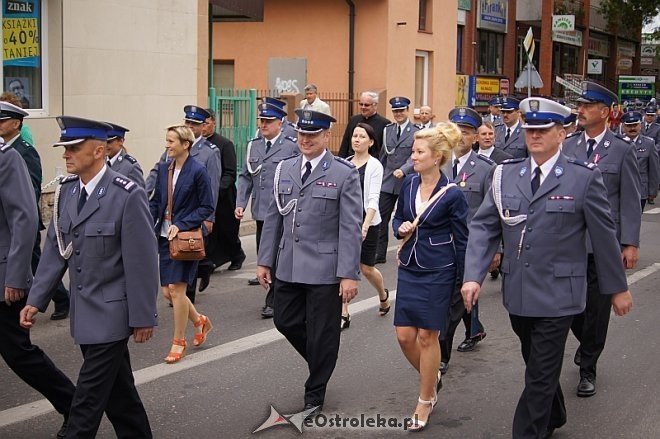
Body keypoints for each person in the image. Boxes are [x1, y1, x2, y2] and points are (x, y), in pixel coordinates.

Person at [462, 97, 633, 439]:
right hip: (520, 291)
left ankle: (529, 431)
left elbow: (603, 237)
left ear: (562, 134)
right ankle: (554, 412)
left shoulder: (583, 178)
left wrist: (617, 288)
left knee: (539, 374)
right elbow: (484, 227)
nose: (535, 136)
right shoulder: (505, 175)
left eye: (543, 130)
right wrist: (473, 276)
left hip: (560, 294)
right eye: (530, 130)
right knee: (538, 363)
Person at [21, 116, 159, 438]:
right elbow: (57, 251)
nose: (66, 154)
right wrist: (36, 299)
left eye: (73, 148)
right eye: (64, 148)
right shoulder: (67, 192)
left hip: (113, 314)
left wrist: (143, 316)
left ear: (99, 151)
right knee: (120, 395)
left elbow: (141, 263)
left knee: (87, 400)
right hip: (85, 315)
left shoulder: (126, 194)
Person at [256, 109, 362, 417]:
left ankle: (315, 390)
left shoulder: (343, 173)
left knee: (322, 332)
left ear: (326, 136)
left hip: (325, 269)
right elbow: (274, 217)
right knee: (284, 320)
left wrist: (348, 275)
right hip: (288, 264)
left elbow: (350, 227)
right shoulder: (284, 168)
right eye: (302, 134)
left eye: (312, 135)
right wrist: (265, 261)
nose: (305, 140)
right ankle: (321, 360)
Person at [562, 81, 641, 398]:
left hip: (602, 246)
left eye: (586, 106)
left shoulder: (621, 151)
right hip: (568, 242)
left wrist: (630, 242)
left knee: (596, 309)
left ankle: (588, 368)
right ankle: (588, 343)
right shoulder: (568, 146)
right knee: (569, 309)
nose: (579, 110)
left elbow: (630, 200)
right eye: (579, 106)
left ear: (605, 112)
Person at [0, 124, 75, 439]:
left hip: (3, 278)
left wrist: (16, 276)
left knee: (18, 353)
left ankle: (72, 405)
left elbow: (25, 218)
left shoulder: (6, 158)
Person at [393, 122, 469, 432]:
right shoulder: (409, 184)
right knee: (404, 336)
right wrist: (399, 227)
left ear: (436, 157)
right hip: (410, 265)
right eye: (413, 151)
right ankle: (432, 375)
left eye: (419, 152)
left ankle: (425, 399)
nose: (413, 156)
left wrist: (466, 280)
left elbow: (463, 239)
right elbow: (399, 216)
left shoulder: (453, 194)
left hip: (439, 269)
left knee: (427, 336)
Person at [149, 124, 215, 364]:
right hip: (164, 236)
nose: (167, 145)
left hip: (186, 240)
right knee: (167, 291)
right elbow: (157, 201)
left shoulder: (197, 171)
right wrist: (149, 220)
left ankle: (179, 341)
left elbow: (207, 207)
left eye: (171, 141)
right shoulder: (164, 168)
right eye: (166, 141)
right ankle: (199, 321)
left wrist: (184, 223)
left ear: (185, 144)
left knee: (177, 290)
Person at [0, 101, 71, 320]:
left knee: (39, 264)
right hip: (12, 222)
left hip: (20, 222)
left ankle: (59, 298)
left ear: (16, 123)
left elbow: (29, 188)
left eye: (2, 121)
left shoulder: (23, 151)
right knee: (36, 264)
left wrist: (23, 218)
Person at [438, 108, 495, 375]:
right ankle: (475, 328)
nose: (461, 136)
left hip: (469, 246)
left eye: (467, 132)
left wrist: (498, 250)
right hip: (438, 245)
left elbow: (494, 214)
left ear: (475, 138)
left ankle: (441, 354)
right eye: (457, 131)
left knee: (453, 302)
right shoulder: (437, 162)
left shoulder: (486, 170)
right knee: (451, 297)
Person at [145, 105, 221, 303]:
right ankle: (196, 317)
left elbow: (211, 188)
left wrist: (208, 219)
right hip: (166, 227)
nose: (191, 126)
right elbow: (156, 177)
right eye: (188, 122)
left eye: (195, 124)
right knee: (170, 290)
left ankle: (187, 315)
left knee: (181, 288)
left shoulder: (209, 153)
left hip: (191, 223)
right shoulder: (169, 155)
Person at [236, 102, 299, 317]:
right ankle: (274, 294)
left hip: (284, 210)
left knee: (279, 256)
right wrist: (240, 203)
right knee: (266, 254)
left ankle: (274, 299)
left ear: (280, 123)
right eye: (261, 121)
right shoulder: (254, 145)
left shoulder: (291, 145)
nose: (263, 125)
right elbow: (246, 176)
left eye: (268, 121)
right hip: (262, 211)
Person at [340, 123, 390, 330]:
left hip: (367, 222)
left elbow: (373, 199)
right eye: (354, 136)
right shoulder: (344, 163)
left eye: (362, 137)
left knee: (366, 268)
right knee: (345, 266)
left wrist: (366, 225)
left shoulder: (375, 165)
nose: (357, 140)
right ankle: (343, 312)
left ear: (371, 142)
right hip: (346, 222)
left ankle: (383, 295)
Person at [201, 108, 246, 275]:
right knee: (211, 232)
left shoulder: (224, 144)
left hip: (224, 196)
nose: (203, 127)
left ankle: (237, 255)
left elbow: (230, 173)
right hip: (205, 197)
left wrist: (216, 188)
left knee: (227, 231)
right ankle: (210, 260)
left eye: (205, 123)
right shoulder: (195, 145)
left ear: (214, 122)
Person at [374, 96, 419, 264]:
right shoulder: (388, 130)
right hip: (388, 180)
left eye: (401, 110)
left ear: (407, 110)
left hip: (408, 179)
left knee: (408, 216)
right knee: (381, 215)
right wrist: (379, 173)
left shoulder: (416, 131)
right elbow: (384, 155)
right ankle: (379, 252)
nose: (398, 114)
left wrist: (404, 170)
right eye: (395, 111)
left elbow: (414, 155)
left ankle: (408, 248)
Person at [620, 110, 659, 209]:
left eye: (635, 125)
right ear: (623, 127)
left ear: (640, 126)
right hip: (620, 190)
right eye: (629, 126)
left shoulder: (649, 144)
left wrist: (652, 191)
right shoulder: (617, 143)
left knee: (635, 221)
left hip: (640, 190)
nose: (632, 128)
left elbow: (654, 170)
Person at [338, 91, 390, 158]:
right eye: (361, 104)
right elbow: (345, 143)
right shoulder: (353, 120)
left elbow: (384, 149)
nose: (363, 107)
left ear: (375, 105)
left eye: (366, 105)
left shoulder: (384, 123)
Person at [105, 122, 145, 188]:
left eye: (109, 142)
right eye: (104, 142)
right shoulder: (101, 163)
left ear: (121, 141)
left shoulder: (131, 167)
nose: (105, 145)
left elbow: (139, 195)